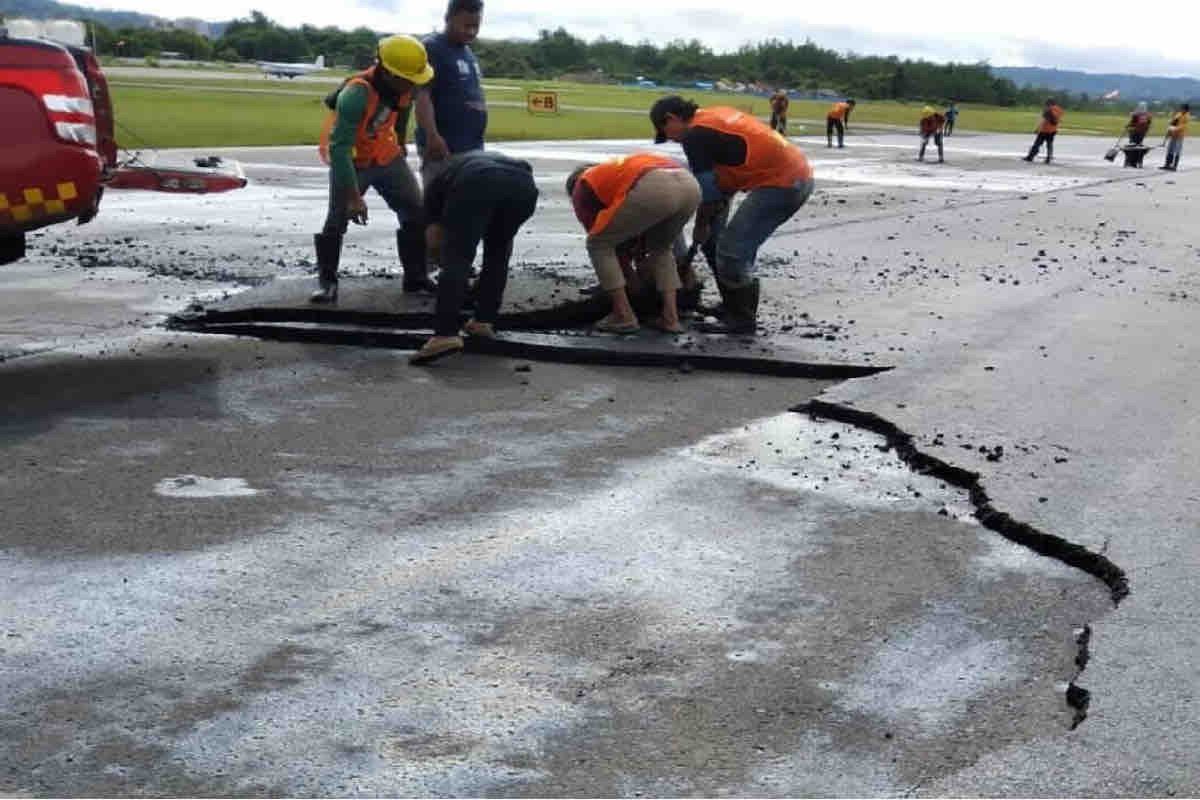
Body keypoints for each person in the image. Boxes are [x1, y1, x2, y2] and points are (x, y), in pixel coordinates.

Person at [650, 96, 815, 334]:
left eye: (667, 133)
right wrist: (709, 227)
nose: (672, 140)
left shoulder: (695, 135)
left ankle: (741, 319)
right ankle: (733, 304)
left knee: (732, 250)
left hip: (784, 183)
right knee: (715, 242)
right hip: (793, 175)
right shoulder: (713, 116)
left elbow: (708, 193)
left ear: (671, 119)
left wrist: (701, 225)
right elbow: (727, 173)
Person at [312, 35, 436, 303]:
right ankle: (327, 283)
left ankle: (416, 277)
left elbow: (403, 110)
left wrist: (401, 143)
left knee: (415, 209)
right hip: (352, 160)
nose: (413, 85)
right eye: (408, 79)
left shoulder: (404, 87)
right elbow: (340, 149)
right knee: (337, 219)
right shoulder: (356, 94)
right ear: (389, 73)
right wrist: (355, 198)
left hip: (386, 155)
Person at [410, 152, 538, 364]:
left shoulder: (433, 195)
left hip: (478, 182)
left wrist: (442, 263)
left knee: (458, 257)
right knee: (498, 251)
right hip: (523, 187)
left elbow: (434, 240)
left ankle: (445, 334)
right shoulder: (459, 167)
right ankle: (484, 321)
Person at [566, 154, 701, 334]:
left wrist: (631, 279)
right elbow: (636, 230)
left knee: (598, 244)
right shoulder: (617, 173)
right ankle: (671, 319)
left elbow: (608, 243)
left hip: (655, 186)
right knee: (661, 249)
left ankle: (623, 316)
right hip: (689, 185)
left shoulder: (582, 187)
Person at [415, 0, 487, 189]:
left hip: (471, 147)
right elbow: (423, 95)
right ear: (448, 19)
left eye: (475, 26)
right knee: (439, 207)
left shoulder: (467, 52)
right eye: (466, 26)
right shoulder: (432, 48)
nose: (471, 32)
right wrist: (432, 136)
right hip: (444, 148)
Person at [1024, 98, 1063, 164]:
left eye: (1046, 104)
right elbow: (1058, 120)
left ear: (1049, 104)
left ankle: (1030, 157)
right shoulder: (1059, 110)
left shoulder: (1048, 110)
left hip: (1044, 130)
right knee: (1049, 144)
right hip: (1053, 130)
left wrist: (1037, 128)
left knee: (1037, 144)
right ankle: (1048, 158)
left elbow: (1043, 120)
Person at [1160, 103, 1189, 171]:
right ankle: (1167, 164)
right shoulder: (1178, 114)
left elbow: (1183, 126)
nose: (1181, 110)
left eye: (1183, 109)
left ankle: (1174, 166)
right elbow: (1174, 122)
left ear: (1186, 110)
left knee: (1177, 150)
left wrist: (1175, 128)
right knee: (1170, 149)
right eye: (1181, 108)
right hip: (1173, 134)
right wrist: (1170, 126)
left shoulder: (1186, 117)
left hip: (1180, 136)